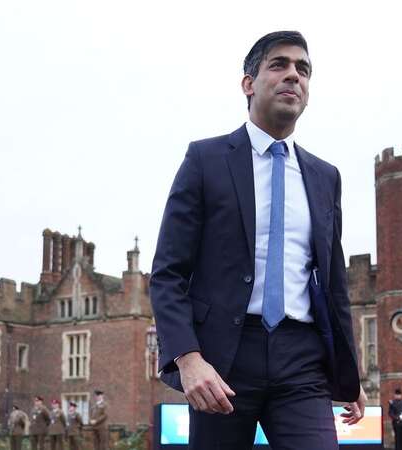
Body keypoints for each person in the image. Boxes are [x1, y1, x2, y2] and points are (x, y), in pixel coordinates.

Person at [150, 30, 364, 449]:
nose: (293, 76)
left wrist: (348, 372)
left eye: (303, 69)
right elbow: (168, 274)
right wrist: (188, 359)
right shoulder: (205, 160)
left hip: (301, 359)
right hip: (221, 361)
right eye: (279, 65)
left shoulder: (325, 177)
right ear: (249, 84)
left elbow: (334, 286)